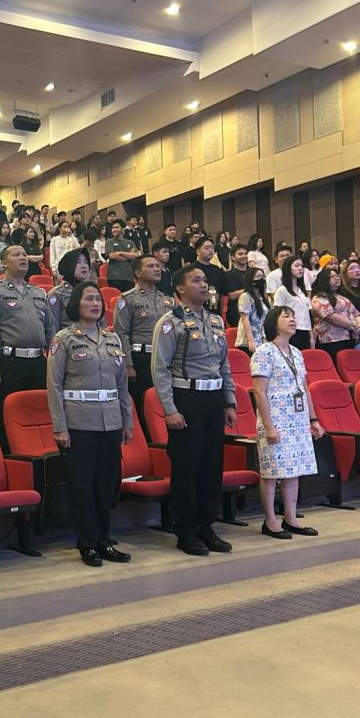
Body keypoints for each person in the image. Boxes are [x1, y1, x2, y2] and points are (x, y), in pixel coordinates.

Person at [151, 265, 238, 557]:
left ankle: (206, 525)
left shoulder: (215, 321)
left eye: (205, 280)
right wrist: (170, 409)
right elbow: (160, 369)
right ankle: (186, 530)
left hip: (213, 399)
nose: (204, 285)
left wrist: (230, 402)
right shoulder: (170, 322)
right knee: (187, 467)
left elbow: (224, 365)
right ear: (180, 288)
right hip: (186, 398)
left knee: (211, 466)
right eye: (196, 280)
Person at [47, 281, 134, 567]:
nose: (95, 303)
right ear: (76, 304)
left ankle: (104, 539)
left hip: (110, 421)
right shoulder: (64, 339)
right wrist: (60, 427)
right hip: (79, 422)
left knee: (106, 484)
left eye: (98, 299)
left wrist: (127, 421)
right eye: (89, 299)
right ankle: (87, 543)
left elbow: (122, 385)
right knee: (82, 486)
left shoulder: (112, 339)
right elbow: (54, 386)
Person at [252, 306, 323, 540]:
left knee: (294, 470)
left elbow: (304, 388)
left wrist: (313, 419)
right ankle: (270, 521)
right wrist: (269, 426)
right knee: (272, 472)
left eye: (293, 316)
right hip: (275, 419)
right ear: (274, 323)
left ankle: (291, 518)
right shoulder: (264, 351)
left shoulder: (296, 352)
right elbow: (259, 392)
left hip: (297, 419)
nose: (293, 319)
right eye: (286, 316)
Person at [0, 244, 53, 450]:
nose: (23, 258)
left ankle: (38, 450)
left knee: (39, 409)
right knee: (7, 413)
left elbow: (50, 329)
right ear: (4, 263)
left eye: (25, 255)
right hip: (9, 362)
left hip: (38, 362)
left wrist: (54, 360)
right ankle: (10, 456)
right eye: (16, 255)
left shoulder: (38, 292)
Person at [114, 254, 172, 430]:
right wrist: (128, 364)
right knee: (142, 404)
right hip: (140, 357)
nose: (157, 269)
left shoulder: (166, 299)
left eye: (157, 266)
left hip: (164, 358)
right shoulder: (127, 299)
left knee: (163, 402)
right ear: (138, 273)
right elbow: (121, 333)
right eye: (151, 266)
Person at [310, 268, 360, 362]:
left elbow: (355, 312)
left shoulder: (341, 297)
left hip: (348, 337)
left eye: (337, 276)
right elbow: (330, 316)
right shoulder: (318, 297)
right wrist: (353, 325)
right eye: (332, 277)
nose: (337, 278)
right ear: (324, 280)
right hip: (330, 340)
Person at [47, 247, 92, 336]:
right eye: (78, 262)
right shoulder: (57, 294)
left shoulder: (92, 293)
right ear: (69, 265)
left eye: (86, 262)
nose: (84, 266)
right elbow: (52, 329)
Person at [272, 256, 312, 350]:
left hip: (305, 331)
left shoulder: (303, 291)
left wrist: (311, 336)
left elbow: (307, 315)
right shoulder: (282, 290)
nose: (300, 268)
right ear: (288, 268)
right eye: (296, 266)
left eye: (302, 266)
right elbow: (277, 314)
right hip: (290, 331)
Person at [236, 268, 269, 355]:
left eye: (263, 276)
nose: (262, 279)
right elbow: (245, 320)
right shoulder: (245, 296)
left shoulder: (262, 298)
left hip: (261, 339)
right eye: (258, 276)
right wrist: (250, 340)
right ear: (251, 280)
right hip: (248, 341)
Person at [103, 220, 137, 293]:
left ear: (123, 229)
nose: (114, 230)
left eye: (116, 227)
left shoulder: (130, 242)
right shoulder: (109, 242)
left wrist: (120, 253)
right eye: (113, 228)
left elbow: (135, 256)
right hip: (114, 277)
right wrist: (128, 256)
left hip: (129, 277)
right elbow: (112, 256)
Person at [223, 244, 251, 328]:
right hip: (236, 313)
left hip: (252, 311)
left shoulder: (252, 273)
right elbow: (232, 295)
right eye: (240, 254)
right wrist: (249, 289)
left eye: (245, 253)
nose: (244, 256)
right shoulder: (229, 274)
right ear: (233, 257)